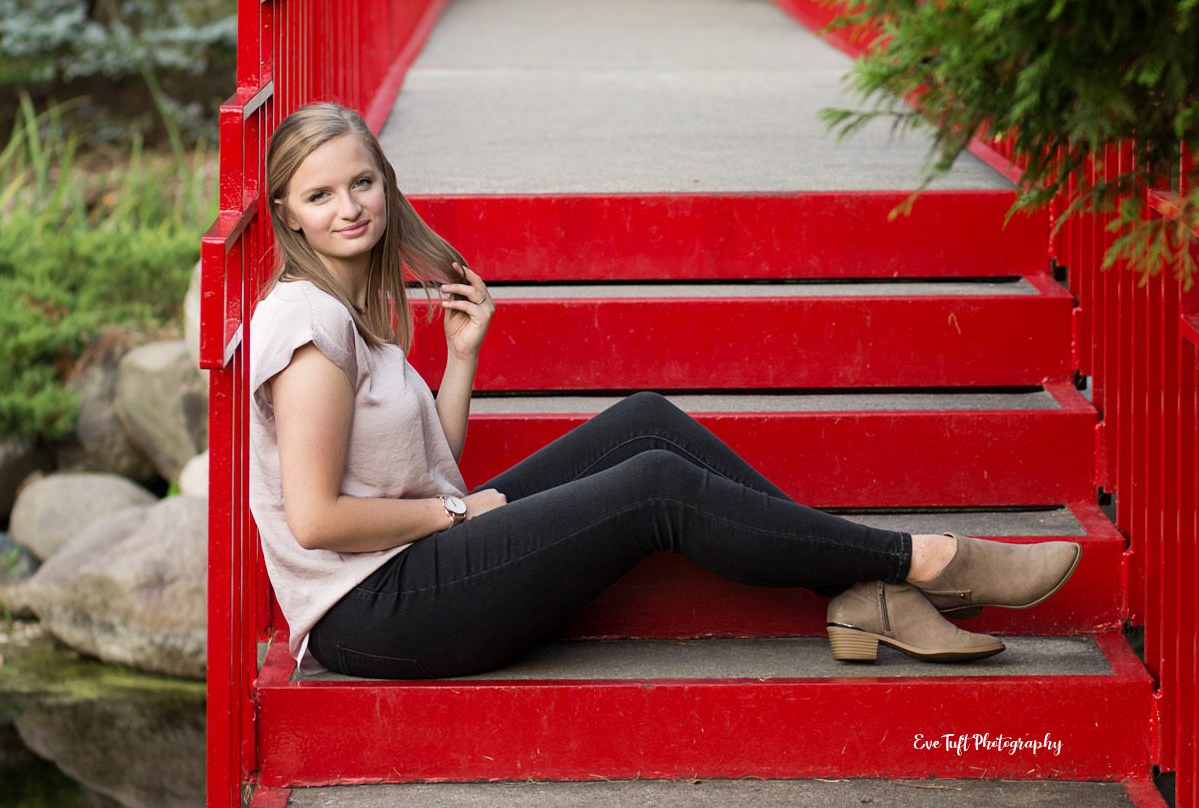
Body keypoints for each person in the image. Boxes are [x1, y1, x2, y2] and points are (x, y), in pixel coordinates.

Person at [247, 101, 1083, 680]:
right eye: (320, 195)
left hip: (416, 559)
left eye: (361, 183)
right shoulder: (306, 328)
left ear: (385, 181)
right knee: (653, 488)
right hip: (376, 610)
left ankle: (866, 594)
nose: (349, 207)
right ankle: (924, 561)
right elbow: (320, 518)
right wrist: (459, 513)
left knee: (645, 423)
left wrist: (461, 359)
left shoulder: (353, 308)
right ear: (287, 214)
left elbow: (426, 471)